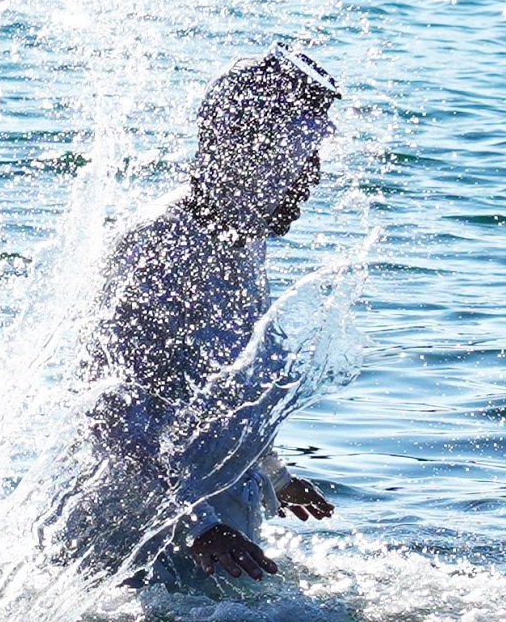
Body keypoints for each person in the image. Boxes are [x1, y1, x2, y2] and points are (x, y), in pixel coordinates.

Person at [59, 48, 344, 587]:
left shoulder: (240, 243)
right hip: (121, 558)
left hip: (204, 547)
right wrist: (199, 524)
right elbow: (108, 410)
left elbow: (211, 392)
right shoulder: (156, 249)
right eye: (303, 161)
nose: (314, 179)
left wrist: (274, 473)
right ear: (254, 157)